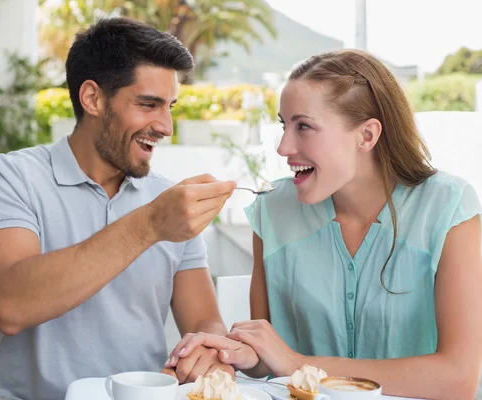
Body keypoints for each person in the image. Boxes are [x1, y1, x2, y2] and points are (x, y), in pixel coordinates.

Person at [166, 49, 482, 399]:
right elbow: (272, 359)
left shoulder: (448, 208)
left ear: (366, 136)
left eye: (304, 127)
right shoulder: (273, 210)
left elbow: (458, 378)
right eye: (284, 125)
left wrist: (298, 363)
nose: (284, 147)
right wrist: (238, 352)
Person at [0, 17, 236, 400]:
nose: (166, 126)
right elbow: (9, 305)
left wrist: (212, 352)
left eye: (170, 107)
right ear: (92, 98)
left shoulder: (166, 200)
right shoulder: (13, 177)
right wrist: (149, 225)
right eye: (148, 104)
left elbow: (204, 321)